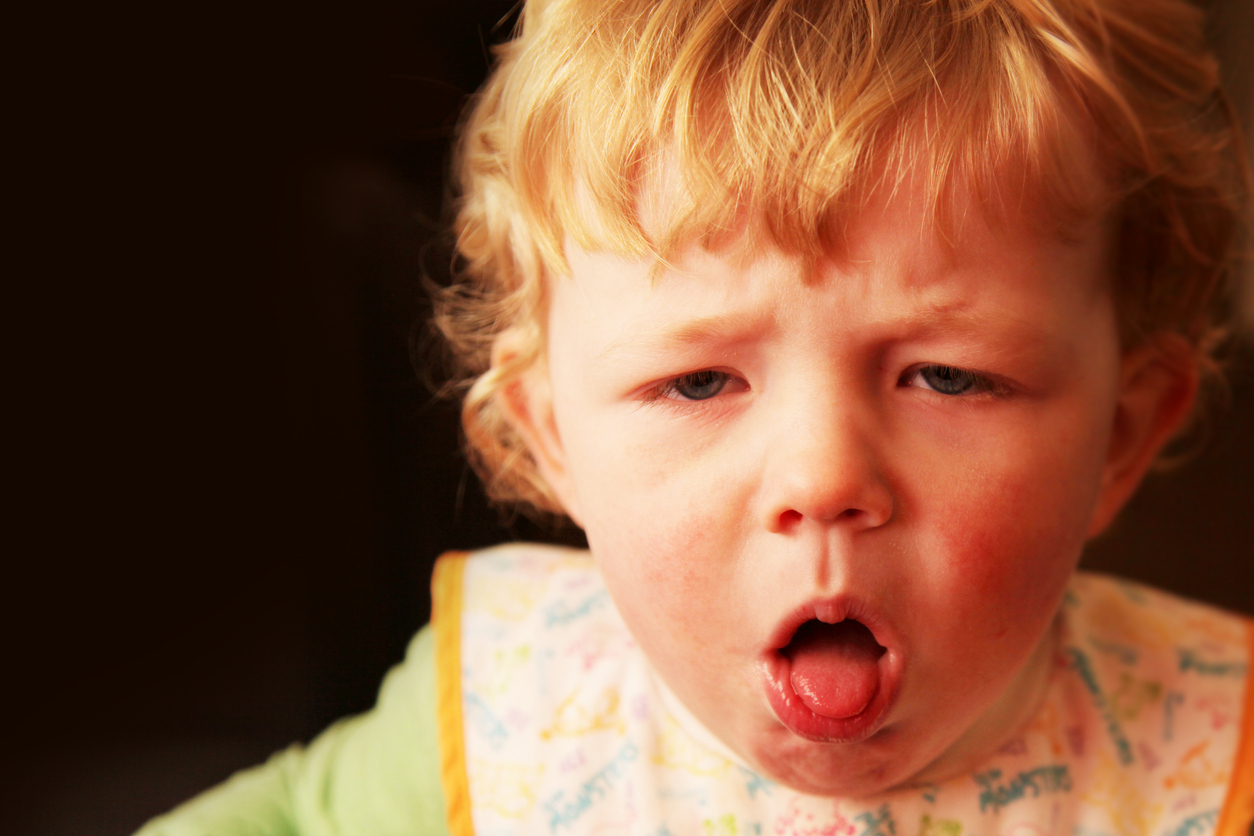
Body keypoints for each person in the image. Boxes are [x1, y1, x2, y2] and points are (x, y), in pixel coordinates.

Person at [138, 0, 1254, 833]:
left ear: (1121, 432)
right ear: (552, 438)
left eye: (947, 377)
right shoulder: (514, 712)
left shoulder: (1216, 749)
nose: (821, 477)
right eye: (699, 382)